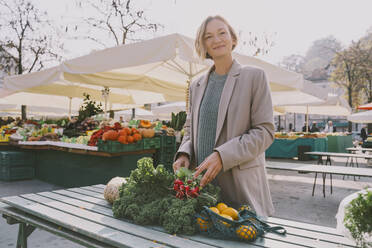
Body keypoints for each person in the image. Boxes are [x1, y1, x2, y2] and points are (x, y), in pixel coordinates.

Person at [172, 16, 275, 217]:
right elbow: (190, 128)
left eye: (222, 33)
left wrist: (222, 155)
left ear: (233, 38)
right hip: (201, 190)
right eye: (208, 36)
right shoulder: (196, 85)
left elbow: (265, 132)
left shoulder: (254, 76)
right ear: (203, 45)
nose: (216, 39)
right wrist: (184, 153)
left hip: (240, 188)